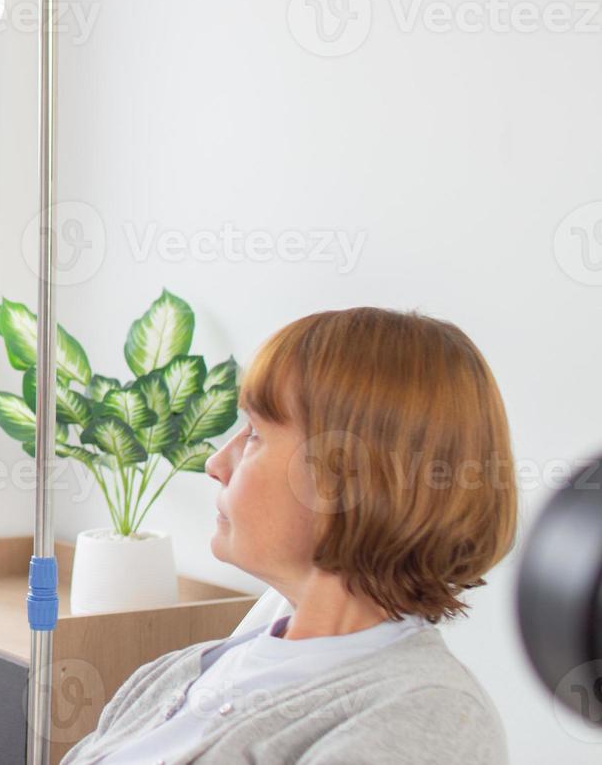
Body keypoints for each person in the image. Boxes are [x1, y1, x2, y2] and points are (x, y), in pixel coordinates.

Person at [62, 307, 517, 764]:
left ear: (348, 475)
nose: (216, 464)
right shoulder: (175, 673)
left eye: (255, 434)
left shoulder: (424, 720)